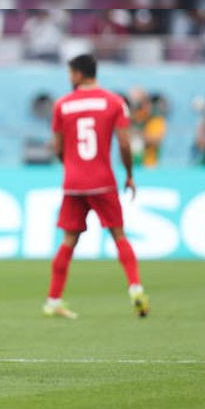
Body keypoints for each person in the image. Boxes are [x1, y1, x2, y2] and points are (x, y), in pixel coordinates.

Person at [45, 54, 149, 319]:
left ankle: (53, 300)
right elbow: (124, 143)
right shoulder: (114, 101)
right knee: (119, 235)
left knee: (68, 240)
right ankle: (135, 288)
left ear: (79, 74)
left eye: (71, 73)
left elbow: (57, 147)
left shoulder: (62, 104)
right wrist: (129, 174)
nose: (69, 78)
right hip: (103, 182)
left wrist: (70, 166)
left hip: (73, 184)